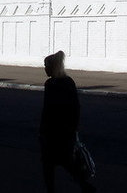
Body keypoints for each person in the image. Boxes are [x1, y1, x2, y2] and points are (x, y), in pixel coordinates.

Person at [39, 51, 96, 193]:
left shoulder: (53, 84)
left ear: (52, 67)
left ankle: (83, 186)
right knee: (61, 162)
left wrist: (43, 130)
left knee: (56, 163)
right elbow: (75, 108)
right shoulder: (65, 82)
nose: (44, 69)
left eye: (46, 66)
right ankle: (84, 186)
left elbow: (48, 110)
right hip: (61, 131)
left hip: (58, 132)